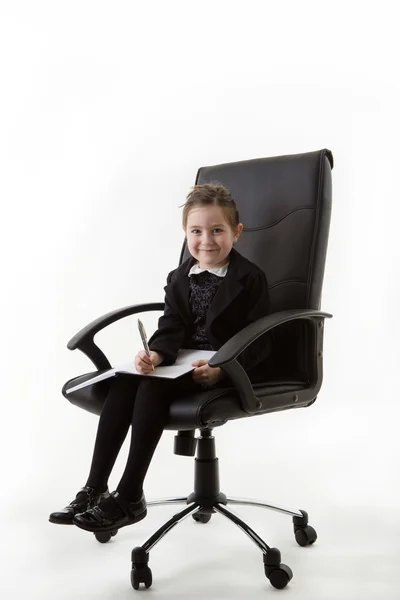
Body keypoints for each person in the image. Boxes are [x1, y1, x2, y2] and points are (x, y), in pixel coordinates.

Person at [49, 183, 272, 534]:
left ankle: (130, 494)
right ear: (185, 233)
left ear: (237, 233)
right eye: (196, 231)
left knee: (150, 389)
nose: (206, 241)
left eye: (217, 230)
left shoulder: (250, 279)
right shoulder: (179, 276)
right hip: (180, 362)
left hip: (223, 367)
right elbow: (171, 325)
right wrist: (155, 352)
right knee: (125, 382)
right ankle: (94, 488)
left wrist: (222, 370)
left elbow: (261, 340)